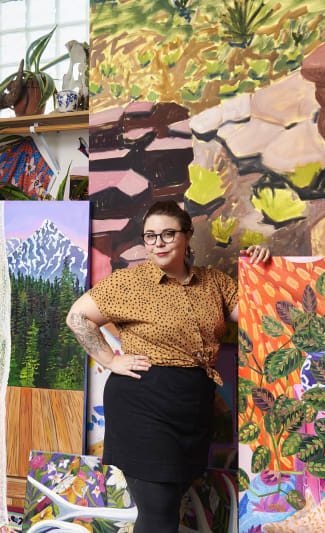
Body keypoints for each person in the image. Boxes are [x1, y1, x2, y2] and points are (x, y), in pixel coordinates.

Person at [66, 200, 270, 532]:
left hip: (191, 406)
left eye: (167, 234)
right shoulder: (129, 283)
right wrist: (110, 360)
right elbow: (77, 316)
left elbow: (257, 316)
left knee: (171, 503)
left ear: (187, 236)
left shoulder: (214, 283)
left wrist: (262, 269)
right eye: (150, 236)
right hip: (142, 404)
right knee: (158, 511)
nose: (158, 243)